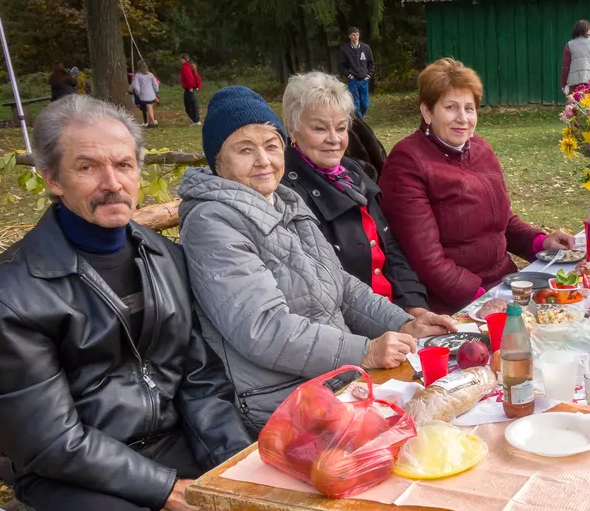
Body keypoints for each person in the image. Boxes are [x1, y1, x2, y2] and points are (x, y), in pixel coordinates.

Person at [0, 95, 251, 511]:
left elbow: (200, 376)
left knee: (274, 500)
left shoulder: (163, 254)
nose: (112, 183)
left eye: (125, 164)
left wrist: (235, 467)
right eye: (88, 167)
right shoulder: (9, 292)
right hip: (66, 468)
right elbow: (50, 441)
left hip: (161, 436)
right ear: (53, 179)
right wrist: (170, 490)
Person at [178, 85, 456, 433]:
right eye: (245, 150)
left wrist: (402, 323)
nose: (263, 160)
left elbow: (340, 285)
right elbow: (262, 329)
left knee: (447, 417)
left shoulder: (286, 202)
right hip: (284, 403)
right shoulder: (212, 223)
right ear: (218, 161)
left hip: (336, 382)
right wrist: (363, 352)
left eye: (270, 145)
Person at [379, 58, 575, 314]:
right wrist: (482, 299)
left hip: (504, 284)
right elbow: (427, 262)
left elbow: (502, 221)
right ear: (427, 111)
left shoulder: (480, 148)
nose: (463, 118)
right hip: (453, 304)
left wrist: (540, 243)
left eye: (469, 108)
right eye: (451, 107)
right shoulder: (407, 162)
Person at [281, 71, 429, 313]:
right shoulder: (287, 193)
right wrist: (394, 326)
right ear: (292, 129)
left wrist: (415, 307)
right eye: (319, 129)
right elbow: (323, 294)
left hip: (396, 318)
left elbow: (390, 248)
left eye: (340, 128)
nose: (334, 139)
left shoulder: (354, 174)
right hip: (356, 332)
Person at [562, 19, 590, 95]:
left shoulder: (569, 45)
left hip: (575, 82)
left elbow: (565, 66)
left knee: (577, 105)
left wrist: (563, 83)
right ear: (587, 30)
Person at [338, 27, 374, 118]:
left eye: (357, 35)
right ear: (349, 36)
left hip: (364, 80)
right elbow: (341, 65)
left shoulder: (365, 48)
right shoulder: (344, 49)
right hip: (353, 80)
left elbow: (371, 63)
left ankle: (360, 118)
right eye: (353, 35)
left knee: (365, 104)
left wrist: (369, 75)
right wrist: (349, 75)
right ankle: (360, 122)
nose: (356, 37)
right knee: (356, 104)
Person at [130, 60, 159, 128]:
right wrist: (156, 92)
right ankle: (150, 124)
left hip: (144, 95)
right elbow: (156, 85)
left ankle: (154, 122)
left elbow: (136, 87)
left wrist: (138, 93)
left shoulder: (137, 76)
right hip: (151, 94)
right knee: (150, 107)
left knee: (149, 108)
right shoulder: (150, 74)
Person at [179, 54, 202, 125]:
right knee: (192, 103)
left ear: (183, 59)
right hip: (192, 87)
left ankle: (196, 120)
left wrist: (190, 87)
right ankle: (194, 119)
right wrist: (198, 86)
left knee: (190, 105)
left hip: (190, 88)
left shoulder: (185, 67)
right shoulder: (191, 65)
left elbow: (188, 77)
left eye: (181, 59)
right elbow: (197, 76)